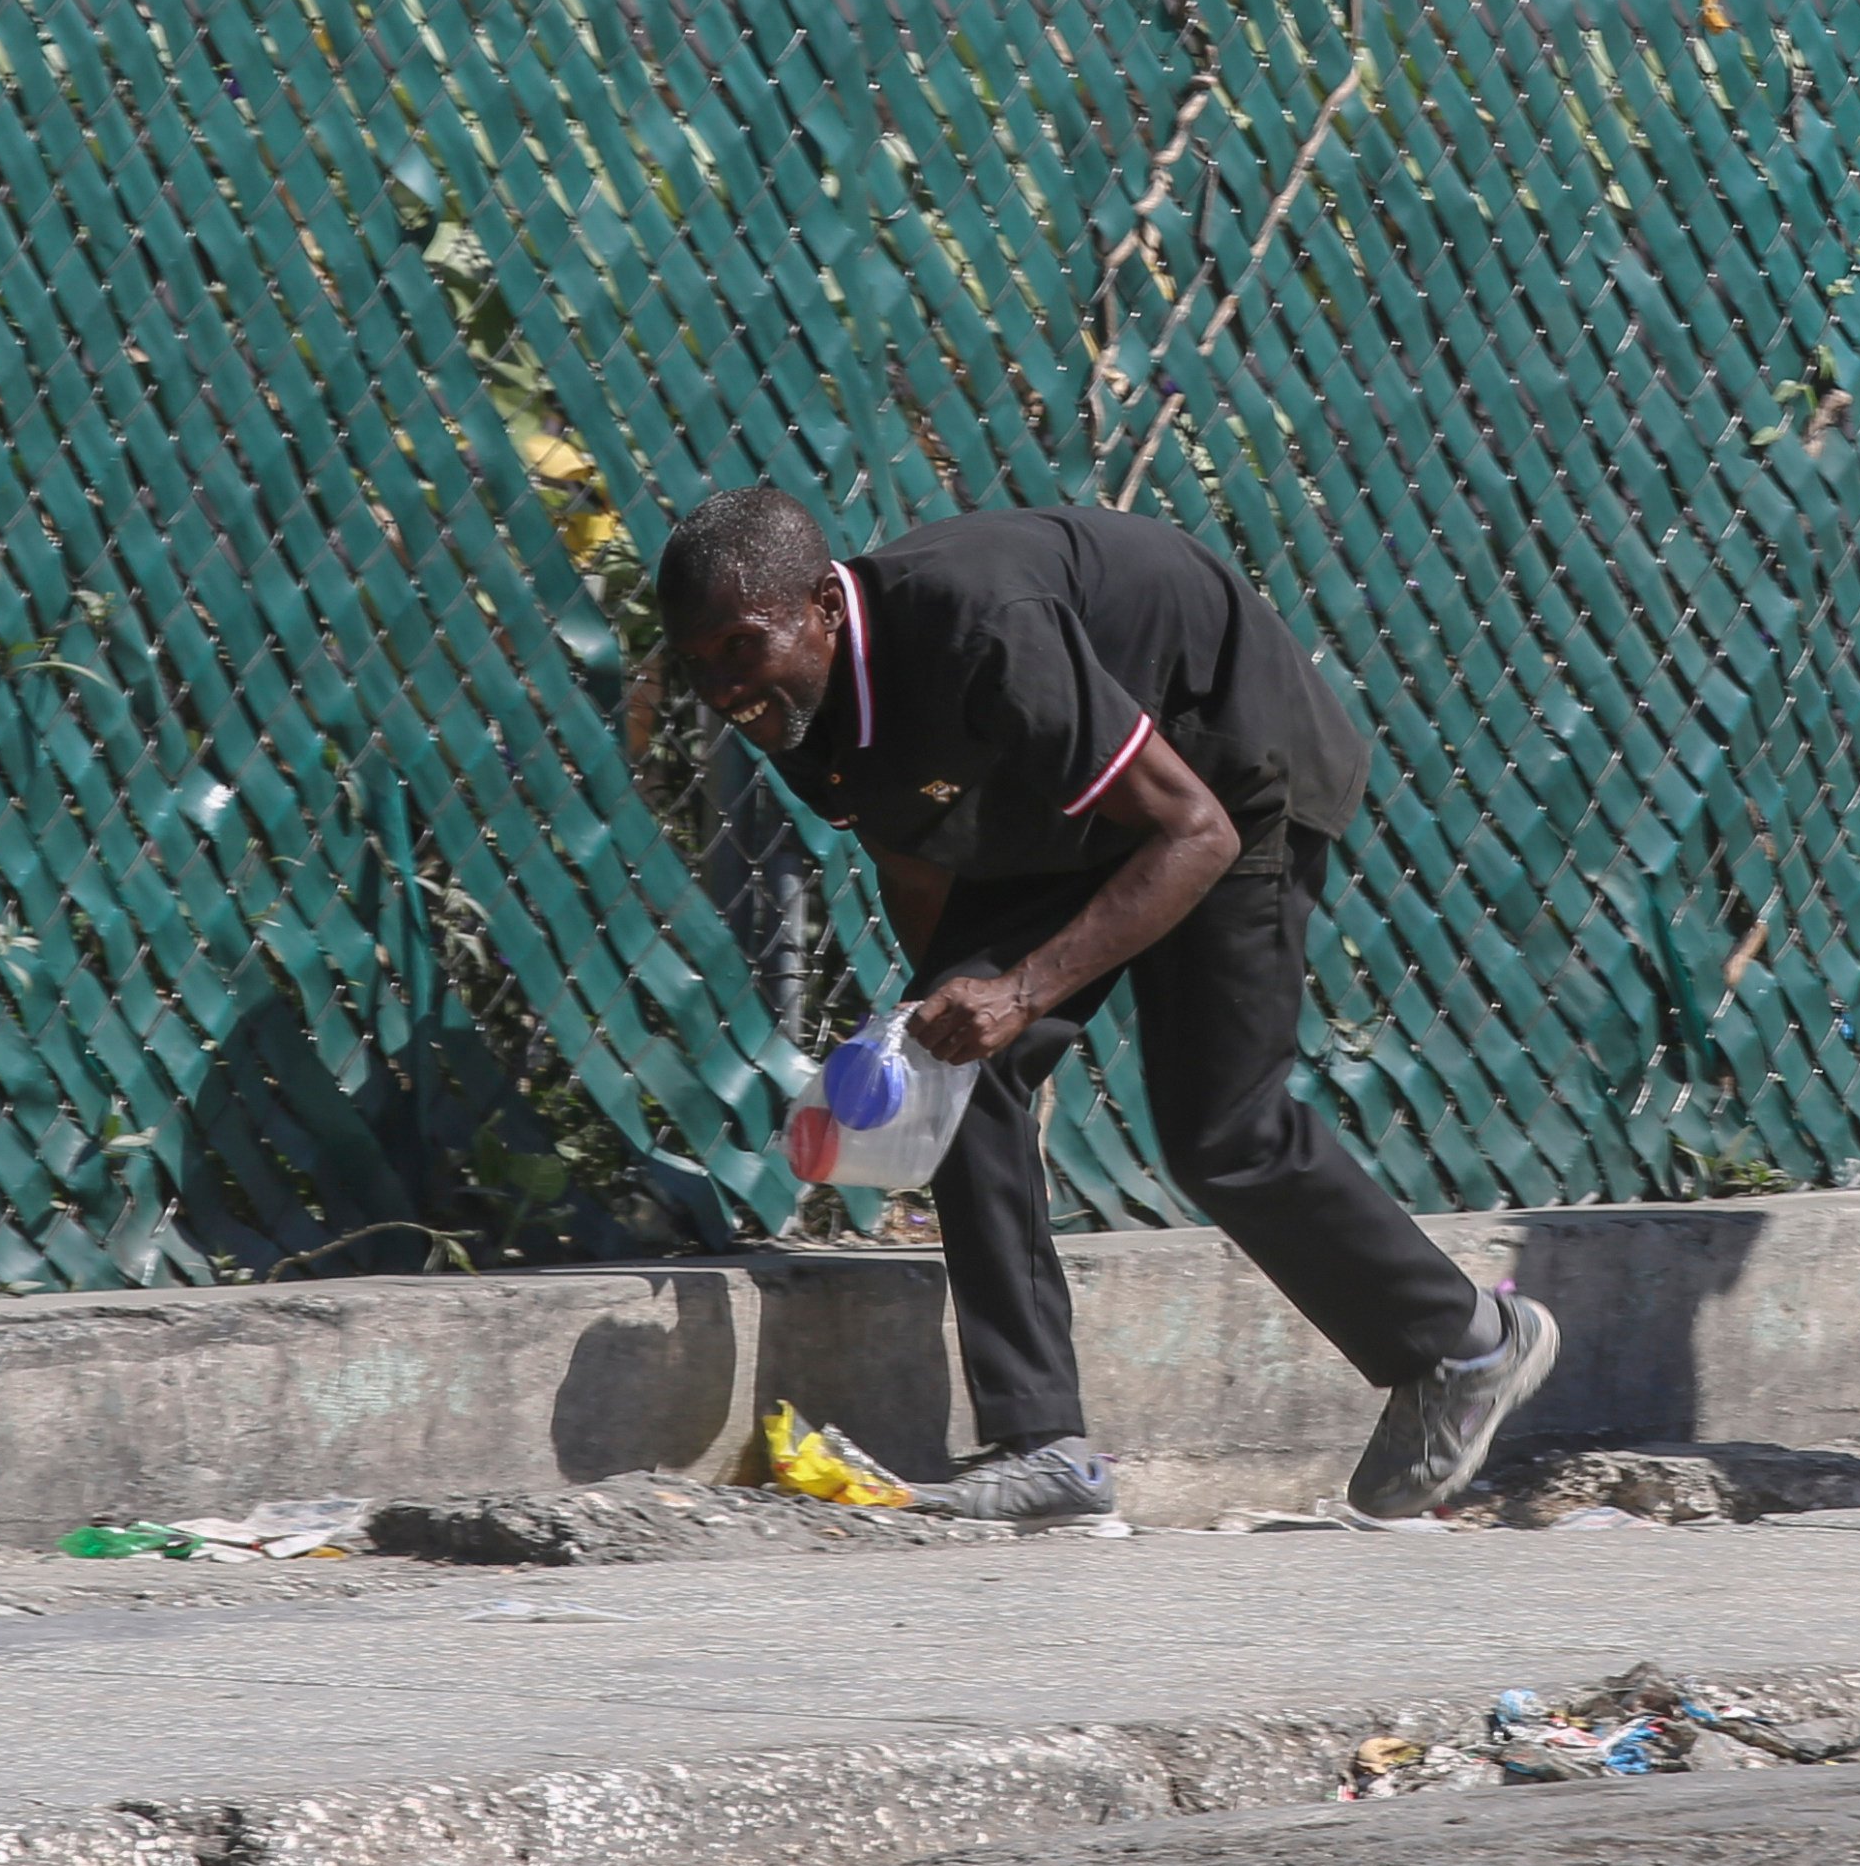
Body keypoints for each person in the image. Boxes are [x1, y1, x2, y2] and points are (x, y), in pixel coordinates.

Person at [656, 491, 1559, 1523]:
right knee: (955, 1070)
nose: (724, 685)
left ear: (824, 603)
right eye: (699, 662)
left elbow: (1194, 832)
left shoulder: (976, 624)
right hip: (1064, 813)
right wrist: (952, 1036)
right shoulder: (798, 703)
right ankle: (1047, 1454)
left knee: (1222, 1131)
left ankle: (1468, 1346)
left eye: (741, 645)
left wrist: (1024, 992)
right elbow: (910, 860)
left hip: (1225, 767)